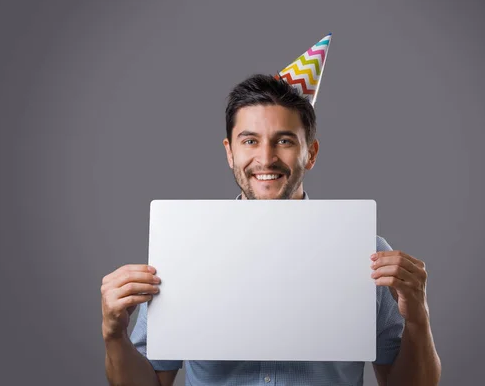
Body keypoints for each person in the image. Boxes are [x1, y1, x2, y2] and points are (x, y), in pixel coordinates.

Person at [101, 35, 441, 386]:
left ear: (311, 153)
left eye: (284, 140)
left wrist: (418, 319)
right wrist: (114, 335)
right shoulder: (182, 250)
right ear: (230, 152)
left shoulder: (367, 255)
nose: (265, 159)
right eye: (250, 141)